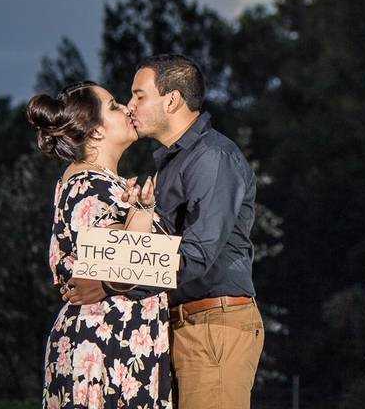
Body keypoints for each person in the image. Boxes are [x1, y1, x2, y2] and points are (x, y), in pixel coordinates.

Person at [67, 55, 264, 409]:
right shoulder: (173, 163)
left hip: (212, 326)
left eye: (139, 95)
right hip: (178, 326)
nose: (130, 106)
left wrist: (111, 282)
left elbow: (196, 255)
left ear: (172, 100)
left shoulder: (212, 157)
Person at [27, 80, 173, 409]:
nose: (126, 108)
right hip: (103, 347)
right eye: (113, 106)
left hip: (123, 345)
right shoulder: (87, 184)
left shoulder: (108, 183)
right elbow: (131, 263)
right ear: (94, 132)